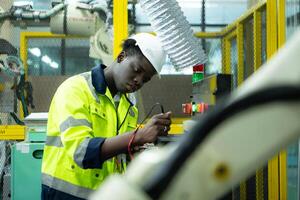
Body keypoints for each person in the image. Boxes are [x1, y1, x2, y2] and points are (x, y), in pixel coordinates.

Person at [41, 33, 172, 200]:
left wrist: (140, 146)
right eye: (137, 70)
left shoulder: (129, 105)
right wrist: (137, 136)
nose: (138, 81)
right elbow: (82, 152)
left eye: (145, 79)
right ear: (121, 56)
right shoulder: (75, 89)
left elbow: (120, 150)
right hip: (66, 194)